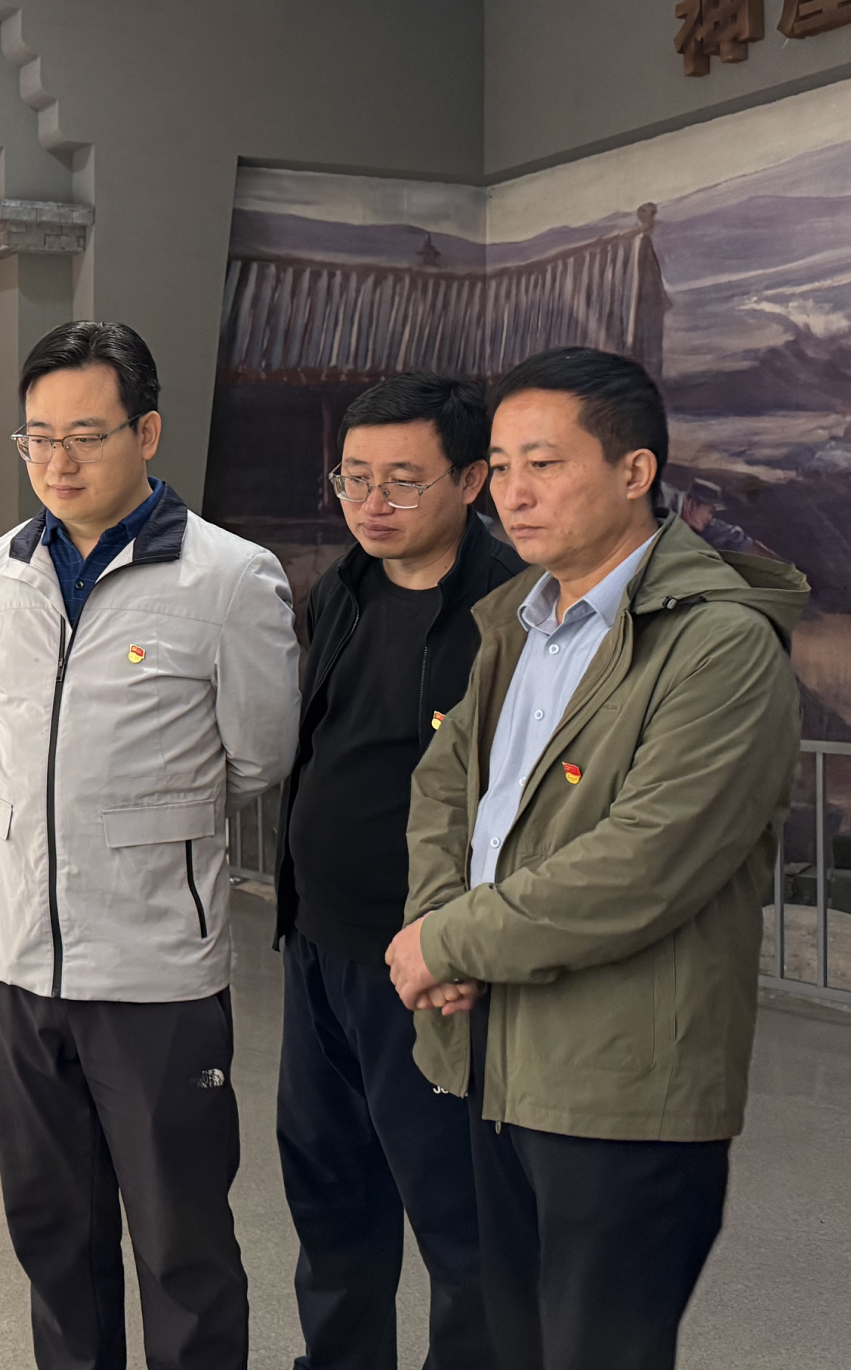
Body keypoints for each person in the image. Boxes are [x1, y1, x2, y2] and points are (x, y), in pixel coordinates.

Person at [385, 348, 806, 1370]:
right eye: (500, 466)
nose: (513, 493)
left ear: (633, 472)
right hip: (496, 1059)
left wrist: (451, 941)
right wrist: (439, 925)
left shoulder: (718, 644)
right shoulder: (520, 623)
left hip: (623, 1087)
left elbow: (643, 864)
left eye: (544, 463)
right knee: (511, 1344)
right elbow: (446, 788)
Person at [0, 321, 300, 1370]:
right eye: (37, 439)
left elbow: (257, 756)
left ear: (146, 433)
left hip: (153, 970)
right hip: (13, 961)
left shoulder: (228, 579)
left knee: (180, 1244)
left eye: (86, 436)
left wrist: (144, 832)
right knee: (51, 1234)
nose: (57, 463)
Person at [274, 374, 518, 1370]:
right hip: (317, 951)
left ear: (470, 480)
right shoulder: (343, 587)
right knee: (330, 1201)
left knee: (462, 1225)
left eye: (403, 481)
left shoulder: (510, 613)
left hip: (431, 966)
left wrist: (461, 939)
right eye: (353, 477)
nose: (372, 503)